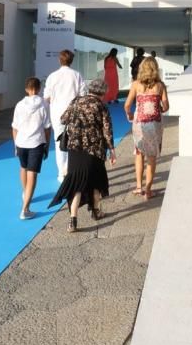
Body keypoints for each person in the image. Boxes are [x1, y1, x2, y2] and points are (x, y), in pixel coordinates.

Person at [49, 78, 116, 233]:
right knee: (96, 181)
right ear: (102, 92)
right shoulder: (101, 106)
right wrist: (112, 149)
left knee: (77, 183)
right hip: (95, 149)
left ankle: (73, 220)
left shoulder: (76, 101)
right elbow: (107, 130)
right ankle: (96, 211)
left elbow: (63, 118)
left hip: (75, 148)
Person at [124, 57, 169, 199]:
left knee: (139, 153)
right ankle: (148, 190)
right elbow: (166, 106)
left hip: (139, 123)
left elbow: (126, 105)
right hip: (154, 124)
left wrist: (129, 114)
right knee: (151, 157)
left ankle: (139, 186)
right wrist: (158, 109)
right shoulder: (161, 86)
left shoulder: (136, 84)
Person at [12, 77, 51, 220]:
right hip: (36, 142)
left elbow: (14, 127)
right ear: (39, 89)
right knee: (32, 174)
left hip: (21, 142)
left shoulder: (19, 105)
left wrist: (15, 144)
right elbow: (47, 127)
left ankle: (25, 193)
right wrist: (47, 145)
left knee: (23, 168)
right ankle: (25, 209)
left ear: (26, 89)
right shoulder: (44, 104)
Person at [44, 50, 85, 182]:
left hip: (57, 113)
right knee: (74, 141)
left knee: (59, 142)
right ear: (71, 61)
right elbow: (83, 94)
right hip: (74, 113)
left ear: (59, 60)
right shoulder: (77, 75)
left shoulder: (52, 76)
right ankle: (72, 169)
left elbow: (47, 97)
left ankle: (62, 173)